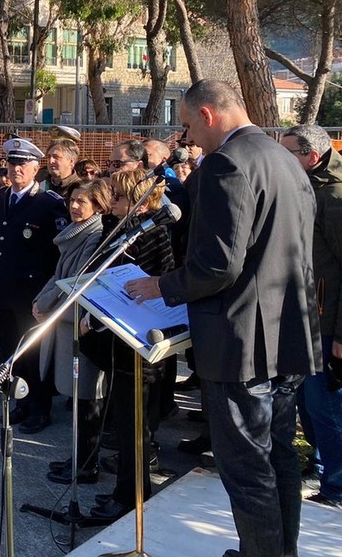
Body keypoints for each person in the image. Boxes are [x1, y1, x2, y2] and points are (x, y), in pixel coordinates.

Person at [125, 80, 320, 557]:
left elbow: (219, 265)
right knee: (278, 459)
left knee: (247, 467)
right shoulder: (283, 158)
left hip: (241, 344)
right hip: (285, 334)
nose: (188, 137)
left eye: (188, 125)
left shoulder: (226, 164)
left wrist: (162, 286)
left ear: (208, 115)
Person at [85, 167, 176, 521]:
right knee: (125, 424)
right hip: (118, 340)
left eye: (119, 196)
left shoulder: (154, 233)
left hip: (140, 340)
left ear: (141, 201)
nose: (112, 202)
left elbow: (161, 283)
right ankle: (127, 491)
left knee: (134, 428)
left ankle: (131, 498)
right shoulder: (121, 229)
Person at [0, 137, 69, 432]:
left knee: (34, 353)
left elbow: (57, 253)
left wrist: (48, 296)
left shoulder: (49, 203)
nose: (16, 169)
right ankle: (20, 402)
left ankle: (39, 408)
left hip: (31, 295)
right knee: (11, 351)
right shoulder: (1, 197)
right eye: (12, 163)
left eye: (23, 164)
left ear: (36, 168)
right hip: (3, 290)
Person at [280, 123, 342, 507]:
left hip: (327, 323)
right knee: (308, 403)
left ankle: (337, 488)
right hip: (305, 318)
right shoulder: (306, 187)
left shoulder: (334, 198)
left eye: (287, 153)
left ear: (312, 157)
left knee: (326, 408)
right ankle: (318, 467)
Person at [33, 178, 111, 484]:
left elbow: (77, 280)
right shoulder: (75, 232)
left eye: (82, 201)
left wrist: (46, 304)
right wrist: (40, 300)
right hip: (65, 320)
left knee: (88, 396)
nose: (74, 206)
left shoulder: (95, 235)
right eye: (72, 200)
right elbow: (58, 274)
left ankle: (87, 464)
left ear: (98, 206)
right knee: (79, 399)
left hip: (79, 323)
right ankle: (79, 456)